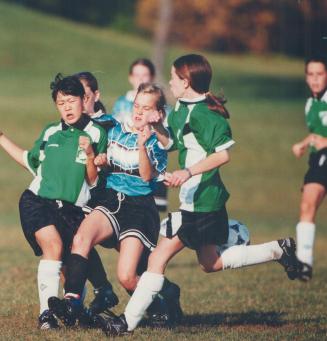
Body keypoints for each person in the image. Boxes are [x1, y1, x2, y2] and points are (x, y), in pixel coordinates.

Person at [98, 54, 299, 336]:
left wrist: (188, 172)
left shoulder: (205, 114)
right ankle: (278, 249)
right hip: (194, 200)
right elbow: (172, 145)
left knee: (157, 259)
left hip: (205, 202)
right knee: (210, 263)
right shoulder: (181, 109)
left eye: (173, 77)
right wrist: (156, 126)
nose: (168, 81)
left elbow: (222, 155)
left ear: (186, 81)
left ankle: (125, 323)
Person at [48, 83, 182, 327]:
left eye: (147, 108)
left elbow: (145, 176)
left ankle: (161, 307)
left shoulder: (157, 143)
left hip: (138, 209)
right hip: (112, 200)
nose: (139, 112)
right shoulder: (115, 130)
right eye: (137, 106)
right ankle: (72, 301)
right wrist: (100, 159)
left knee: (128, 276)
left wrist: (142, 144)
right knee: (80, 239)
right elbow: (93, 122)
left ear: (158, 113)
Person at [0, 74, 110, 329]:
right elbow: (30, 161)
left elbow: (93, 181)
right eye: (61, 103)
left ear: (84, 100)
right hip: (37, 201)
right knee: (53, 247)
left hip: (73, 210)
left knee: (70, 267)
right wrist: (2, 137)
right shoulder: (50, 132)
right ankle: (46, 316)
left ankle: (73, 312)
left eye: (71, 101)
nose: (67, 107)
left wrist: (91, 153)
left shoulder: (96, 133)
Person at [111, 58, 168, 212]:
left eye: (145, 75)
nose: (140, 79)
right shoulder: (122, 102)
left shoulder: (160, 104)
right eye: (137, 75)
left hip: (147, 166)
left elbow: (166, 140)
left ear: (152, 77)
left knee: (154, 211)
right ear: (130, 77)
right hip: (124, 164)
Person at [292, 56, 327, 281]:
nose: (315, 79)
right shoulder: (310, 103)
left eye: (320, 74)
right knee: (307, 203)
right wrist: (304, 143)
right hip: (319, 160)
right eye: (311, 74)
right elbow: (318, 133)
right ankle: (303, 264)